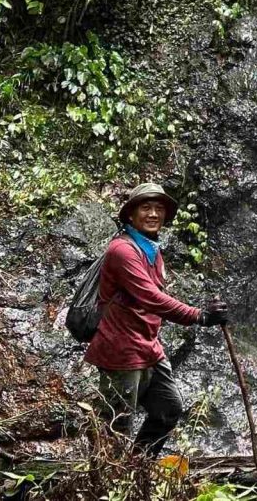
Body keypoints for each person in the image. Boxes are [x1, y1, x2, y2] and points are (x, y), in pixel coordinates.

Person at [84, 182, 229, 455]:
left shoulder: (151, 249)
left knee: (168, 408)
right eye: (146, 208)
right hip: (121, 351)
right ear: (130, 214)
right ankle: (109, 476)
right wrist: (199, 315)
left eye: (159, 209)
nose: (153, 214)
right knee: (116, 427)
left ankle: (138, 466)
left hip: (149, 348)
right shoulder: (122, 250)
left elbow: (154, 298)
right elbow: (150, 297)